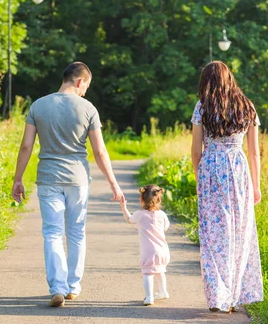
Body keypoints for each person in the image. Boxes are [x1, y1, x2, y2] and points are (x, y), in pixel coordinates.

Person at [11, 62, 124, 307]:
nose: (85, 92)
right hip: (78, 180)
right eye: (86, 86)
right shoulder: (88, 108)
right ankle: (73, 287)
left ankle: (57, 287)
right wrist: (113, 183)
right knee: (76, 232)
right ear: (80, 81)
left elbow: (26, 146)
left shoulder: (38, 106)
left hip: (48, 178)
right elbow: (99, 150)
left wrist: (18, 179)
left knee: (52, 233)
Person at [190, 61, 264, 313]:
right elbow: (254, 153)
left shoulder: (202, 107)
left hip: (211, 170)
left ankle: (217, 297)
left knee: (213, 237)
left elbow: (195, 150)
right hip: (238, 169)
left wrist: (199, 178)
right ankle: (232, 297)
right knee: (239, 234)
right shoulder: (247, 106)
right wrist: (257, 185)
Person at [120, 184, 170, 306]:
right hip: (163, 250)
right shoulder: (162, 214)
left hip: (149, 252)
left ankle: (149, 297)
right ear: (159, 198)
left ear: (142, 199)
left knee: (148, 273)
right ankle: (163, 291)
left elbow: (129, 219)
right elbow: (166, 227)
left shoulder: (140, 214)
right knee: (160, 271)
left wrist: (123, 206)